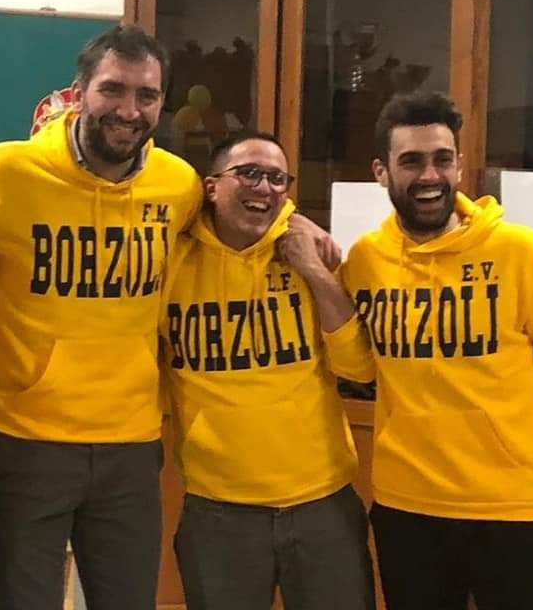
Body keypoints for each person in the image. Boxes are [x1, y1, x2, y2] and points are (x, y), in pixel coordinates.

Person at [0, 24, 205, 610]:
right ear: (77, 92)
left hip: (131, 447)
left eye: (147, 95)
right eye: (112, 89)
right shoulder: (4, 172)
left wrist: (294, 223)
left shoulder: (179, 185)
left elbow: (239, 221)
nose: (129, 110)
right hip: (24, 443)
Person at [329, 90, 533, 609]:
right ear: (381, 172)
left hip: (514, 505)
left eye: (442, 159)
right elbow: (359, 366)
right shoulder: (367, 259)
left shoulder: (520, 252)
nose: (430, 176)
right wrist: (319, 276)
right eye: (411, 161)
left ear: (459, 165)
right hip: (407, 505)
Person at [158, 132, 375, 610]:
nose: (264, 187)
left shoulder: (311, 255)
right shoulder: (171, 261)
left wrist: (314, 271)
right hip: (218, 510)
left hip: (322, 504)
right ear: (211, 186)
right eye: (249, 173)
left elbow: (358, 366)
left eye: (278, 178)